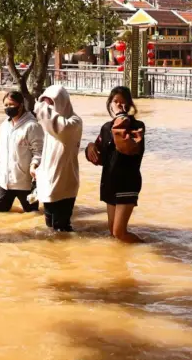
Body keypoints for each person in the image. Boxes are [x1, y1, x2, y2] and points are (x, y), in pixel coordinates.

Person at [85, 86, 145, 243]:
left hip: (127, 182)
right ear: (109, 104)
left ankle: (146, 247)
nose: (118, 105)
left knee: (119, 232)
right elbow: (100, 157)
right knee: (112, 232)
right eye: (115, 102)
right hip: (110, 181)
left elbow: (126, 146)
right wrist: (90, 147)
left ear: (129, 105)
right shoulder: (106, 127)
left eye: (122, 102)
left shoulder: (136, 126)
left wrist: (121, 116)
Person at [34, 85, 82, 232]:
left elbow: (60, 127)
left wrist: (40, 106)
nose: (47, 107)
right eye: (45, 102)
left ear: (62, 102)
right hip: (48, 180)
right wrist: (37, 166)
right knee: (50, 227)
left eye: (51, 103)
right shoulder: (49, 124)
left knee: (61, 229)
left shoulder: (73, 122)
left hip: (64, 183)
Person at [0, 90, 44, 213]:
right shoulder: (4, 125)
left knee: (32, 214)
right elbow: (2, 151)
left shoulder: (32, 126)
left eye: (11, 105)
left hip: (25, 182)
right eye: (5, 105)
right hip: (5, 182)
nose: (8, 108)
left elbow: (39, 151)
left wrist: (34, 165)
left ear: (21, 105)